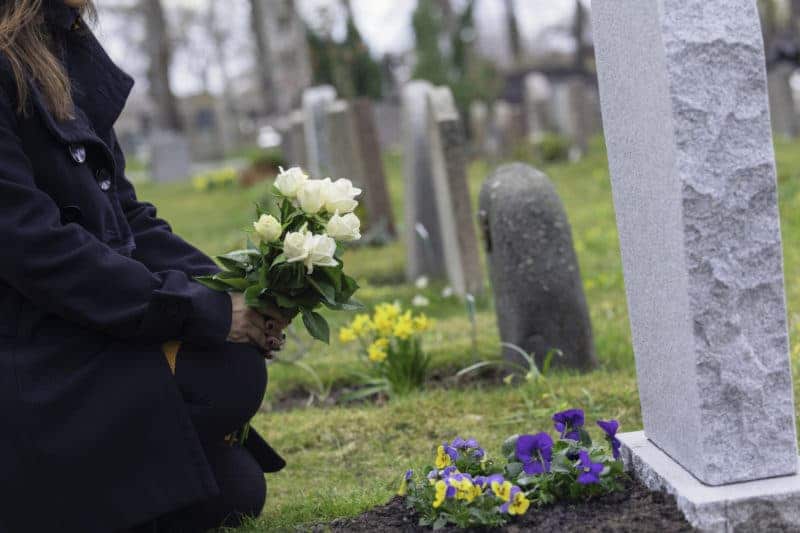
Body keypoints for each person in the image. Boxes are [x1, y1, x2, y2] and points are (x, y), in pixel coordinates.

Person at [0, 1, 286, 531]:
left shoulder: (58, 45)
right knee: (228, 375)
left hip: (73, 331)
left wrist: (237, 293)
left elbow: (127, 217)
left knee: (236, 489)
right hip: (28, 355)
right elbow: (38, 249)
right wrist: (202, 312)